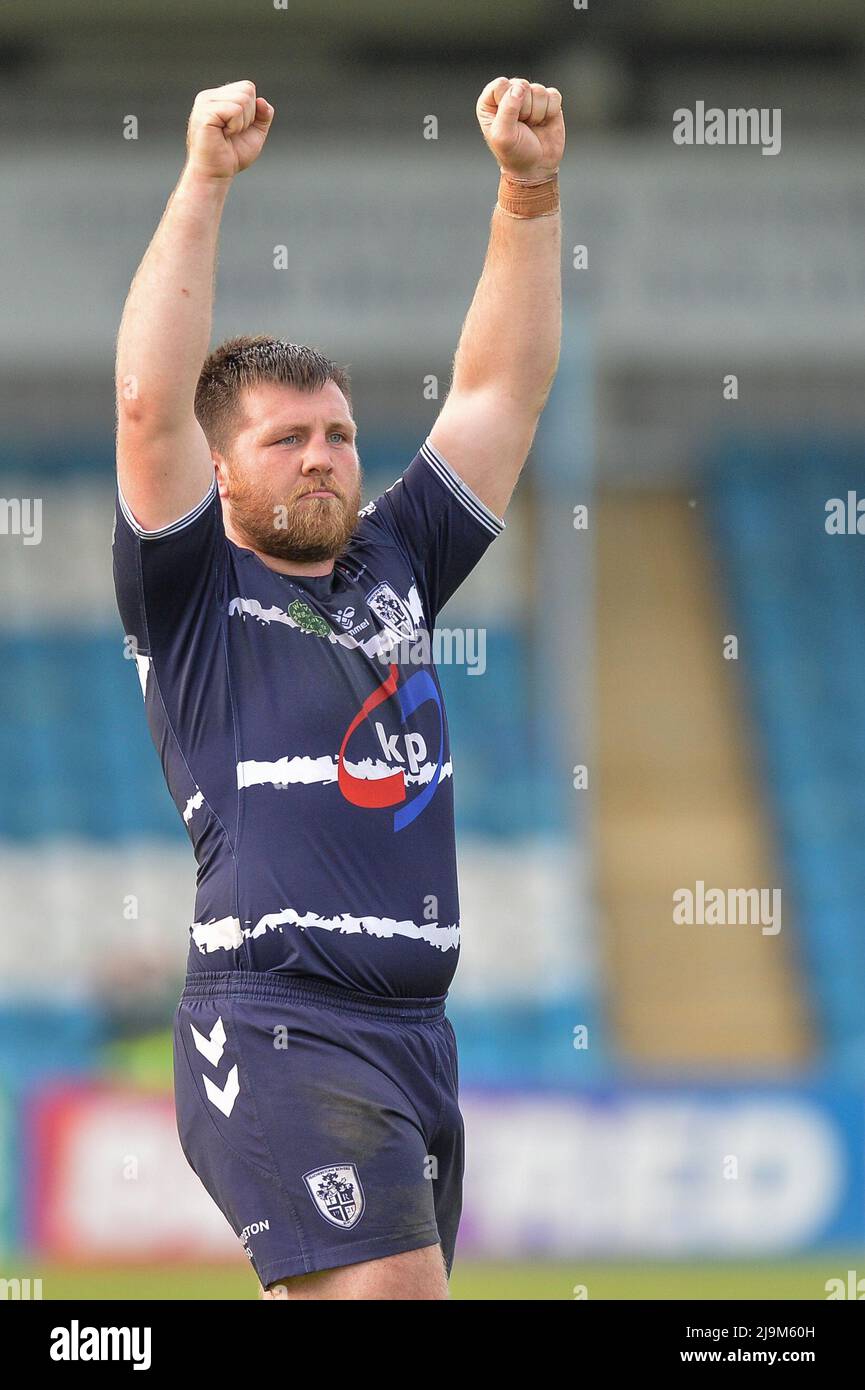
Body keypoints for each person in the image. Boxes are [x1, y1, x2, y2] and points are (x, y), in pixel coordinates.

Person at [112, 74, 563, 1300]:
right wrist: (204, 182)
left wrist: (527, 194)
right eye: (285, 439)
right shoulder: (190, 588)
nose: (324, 457)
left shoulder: (394, 559)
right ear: (220, 469)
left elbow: (497, 393)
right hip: (278, 1019)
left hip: (415, 1038)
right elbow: (149, 405)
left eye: (340, 436)